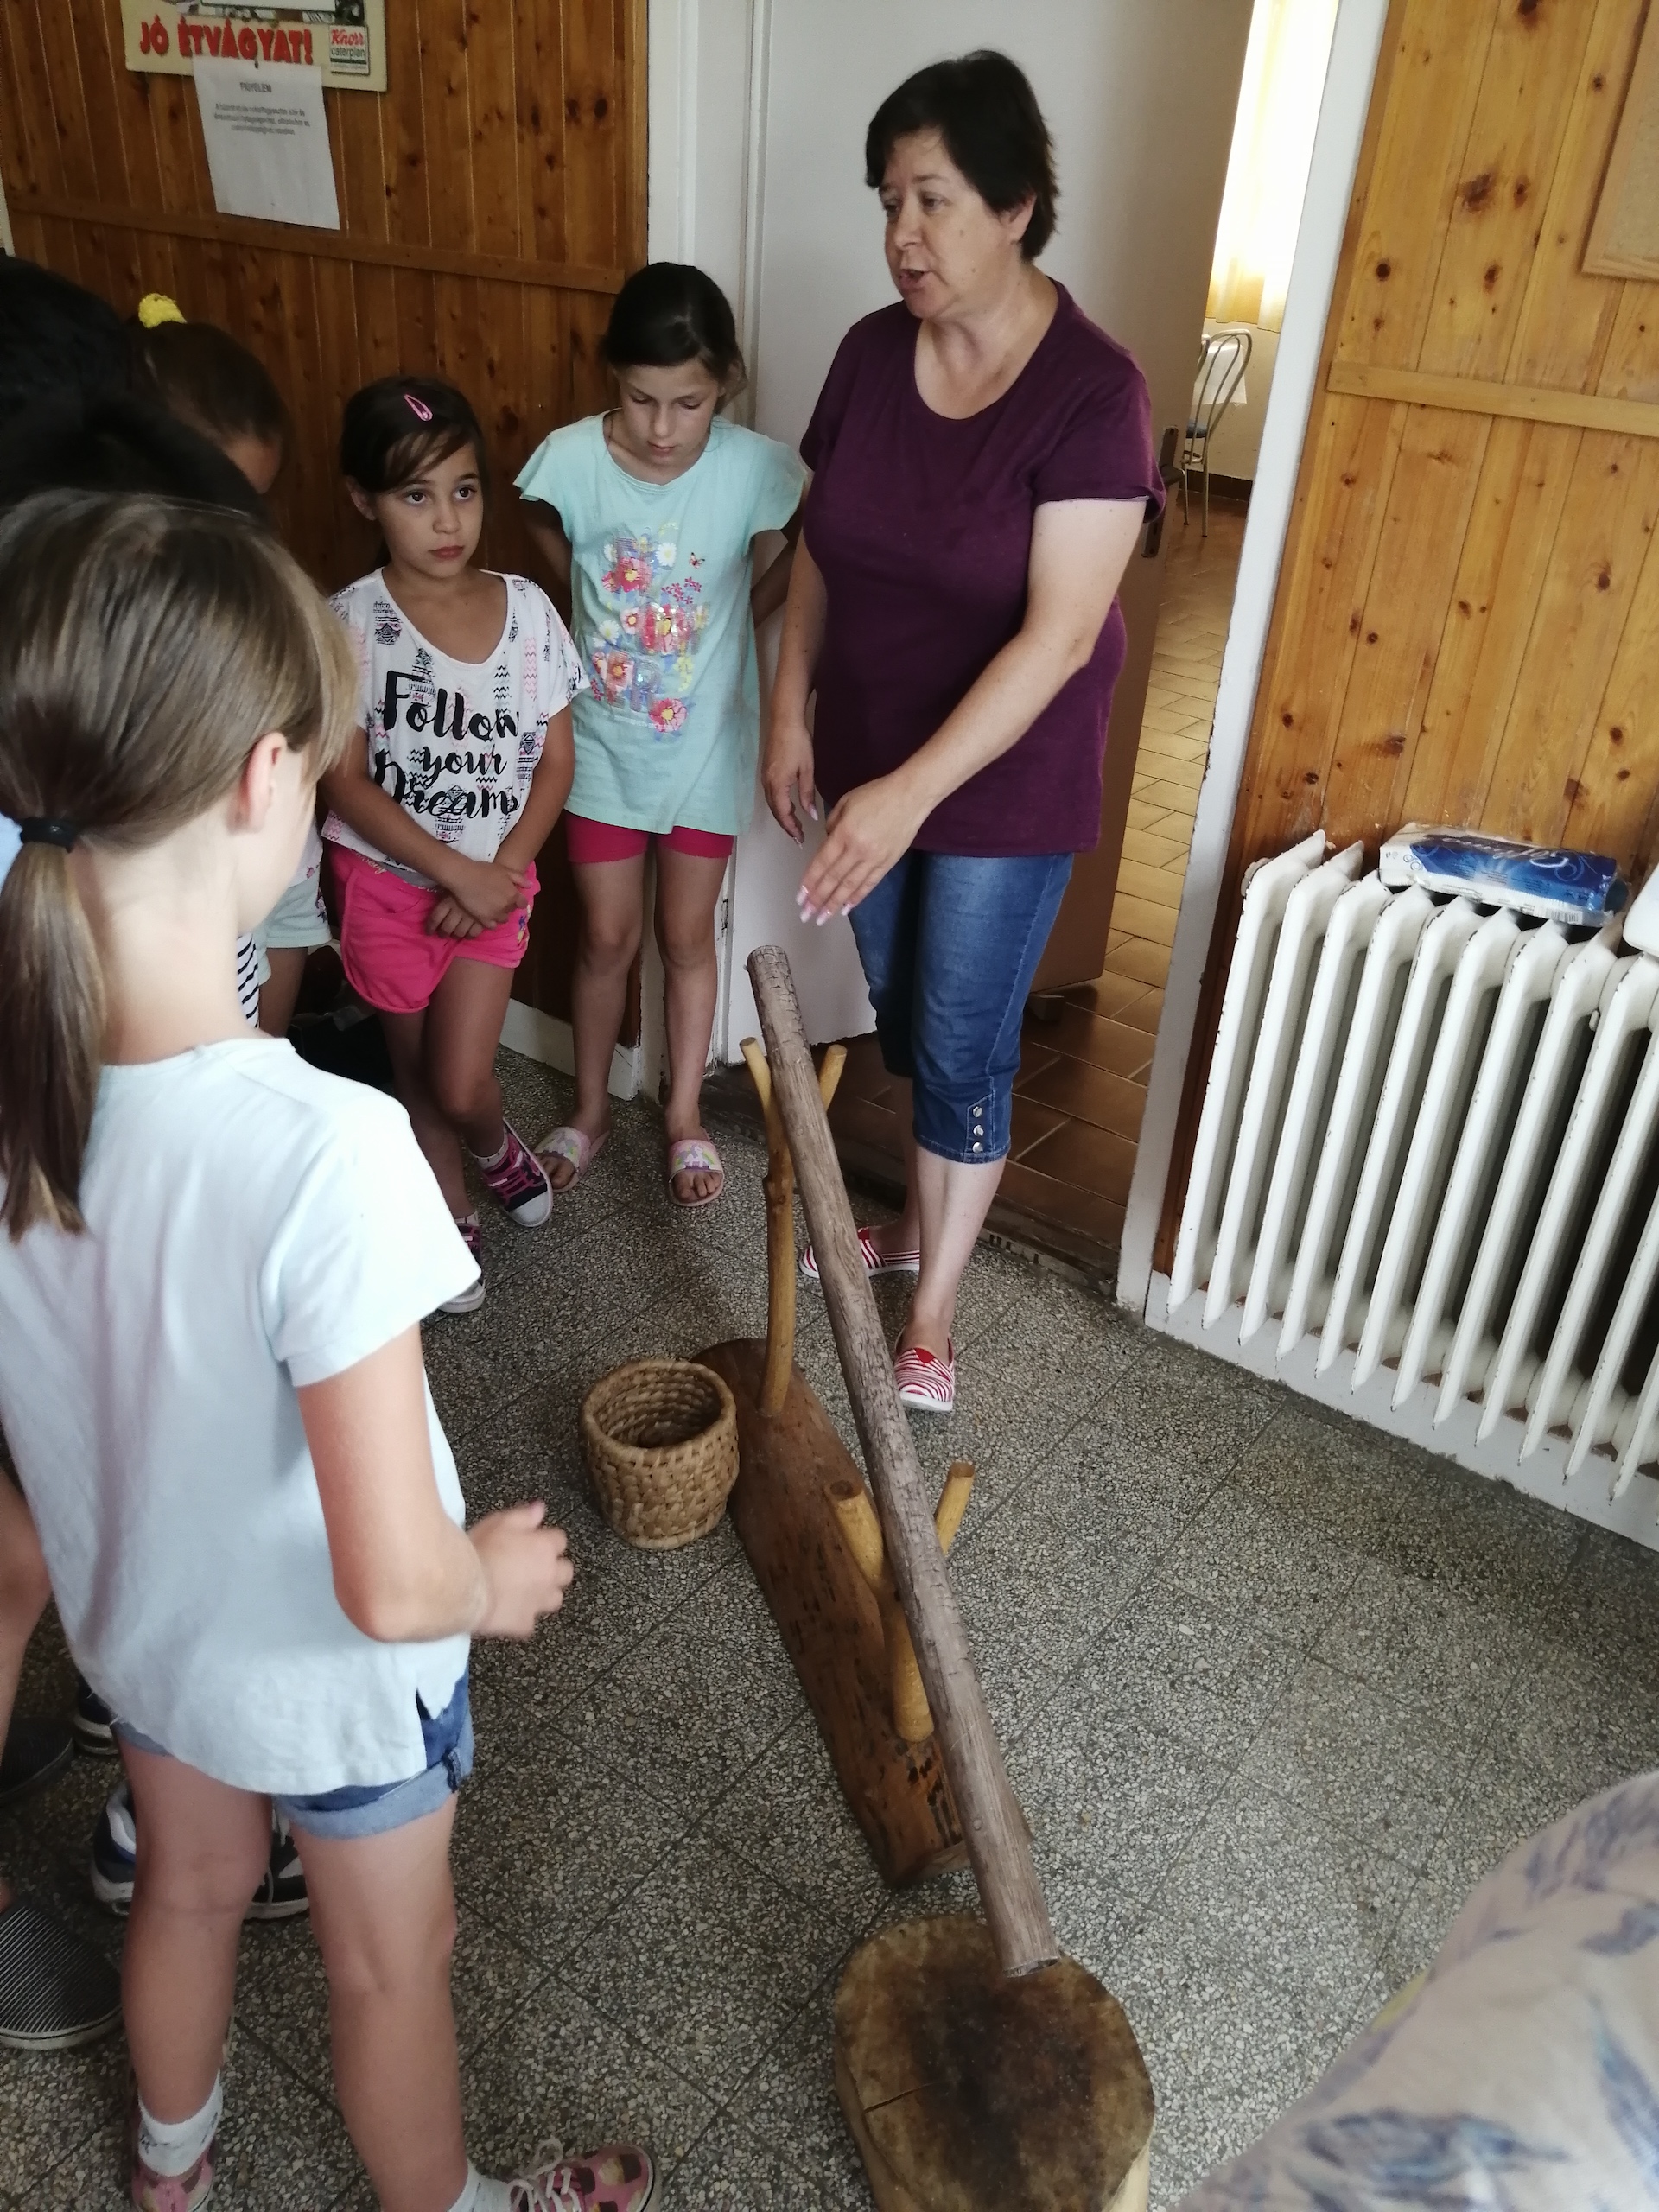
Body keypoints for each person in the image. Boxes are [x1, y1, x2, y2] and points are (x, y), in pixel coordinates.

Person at [0, 487, 655, 2212]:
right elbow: (389, 1581)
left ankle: (170, 2167)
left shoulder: (24, 1106)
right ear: (262, 782)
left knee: (186, 1888)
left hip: (149, 1640)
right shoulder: (328, 1150)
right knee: (390, 1962)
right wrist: (489, 1578)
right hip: (330, 1677)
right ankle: (450, 2204)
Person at [762, 51, 1160, 1414]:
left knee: (964, 1033)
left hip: (1003, 778)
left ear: (1018, 208)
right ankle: (914, 1221)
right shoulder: (871, 354)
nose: (903, 234)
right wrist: (790, 705)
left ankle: (932, 1311)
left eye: (932, 200)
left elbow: (1058, 636)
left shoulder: (1096, 393)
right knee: (906, 1014)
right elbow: (823, 542)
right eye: (890, 203)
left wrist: (907, 796)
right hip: (872, 748)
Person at [516, 263, 803, 1208]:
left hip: (706, 749)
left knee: (686, 935)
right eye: (642, 399)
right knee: (605, 935)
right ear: (614, 376)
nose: (664, 427)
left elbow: (812, 533)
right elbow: (532, 513)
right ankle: (590, 1108)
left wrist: (748, 607)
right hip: (601, 747)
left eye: (690, 402)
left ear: (725, 384)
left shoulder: (752, 467)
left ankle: (682, 1113)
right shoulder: (571, 459)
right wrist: (576, 592)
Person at [319, 376, 583, 1311]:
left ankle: (492, 1143)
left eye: (464, 491)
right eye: (416, 495)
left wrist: (497, 874)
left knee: (463, 1079)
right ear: (364, 500)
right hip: (387, 889)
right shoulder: (348, 622)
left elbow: (555, 761)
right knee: (416, 1074)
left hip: (498, 887)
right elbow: (343, 778)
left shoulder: (529, 610)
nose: (446, 520)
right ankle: (448, 1211)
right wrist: (452, 872)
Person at [130, 293, 328, 1039]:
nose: (241, 523)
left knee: (260, 1042)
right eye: (220, 498)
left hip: (268, 872)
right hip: (193, 886)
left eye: (256, 501)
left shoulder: (263, 584)